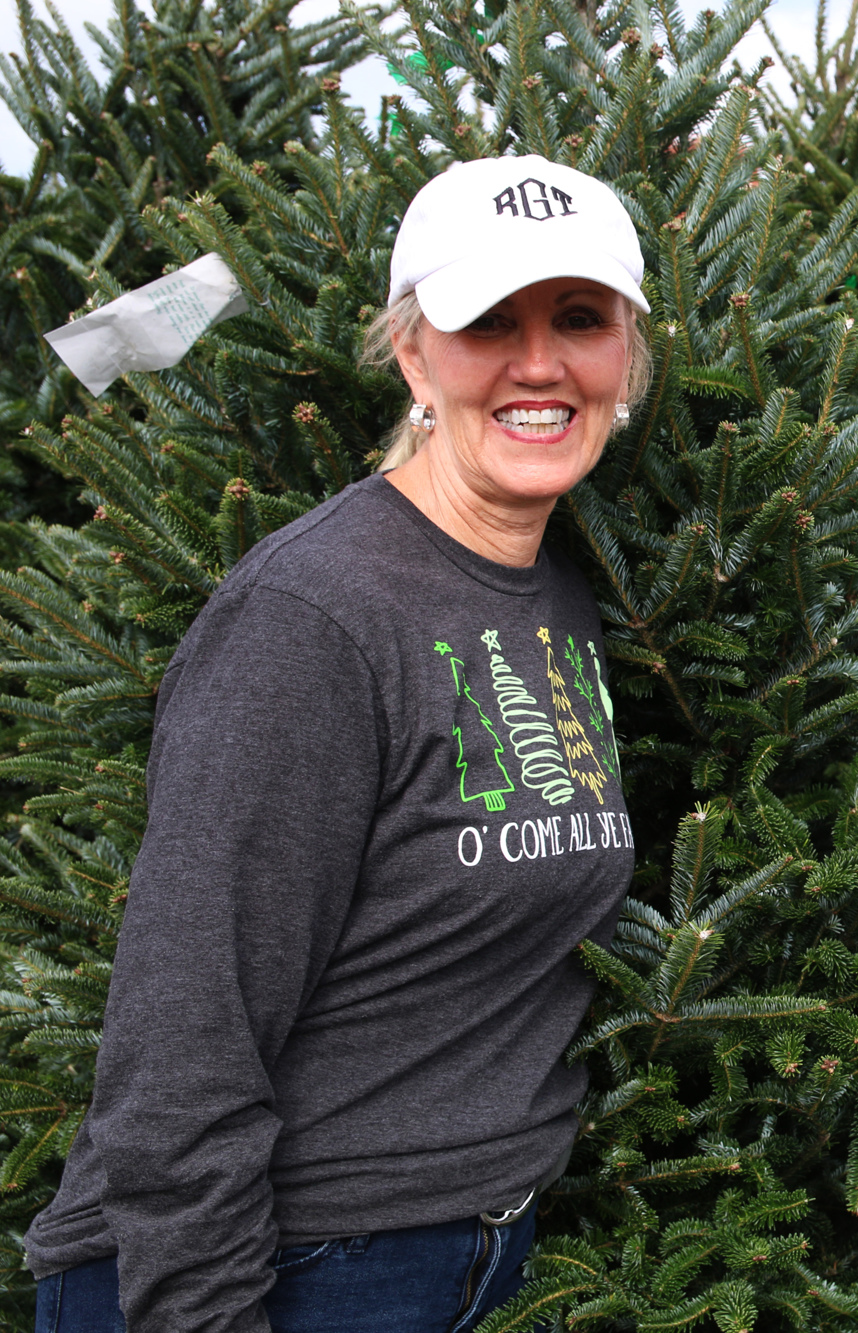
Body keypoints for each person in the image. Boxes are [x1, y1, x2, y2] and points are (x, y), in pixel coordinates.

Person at [25, 154, 651, 1332]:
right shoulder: (312, 618)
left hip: (449, 1254)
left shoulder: (550, 591)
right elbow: (184, 1033)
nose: (538, 363)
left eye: (579, 319)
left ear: (625, 356)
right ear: (414, 353)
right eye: (486, 322)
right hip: (279, 1268)